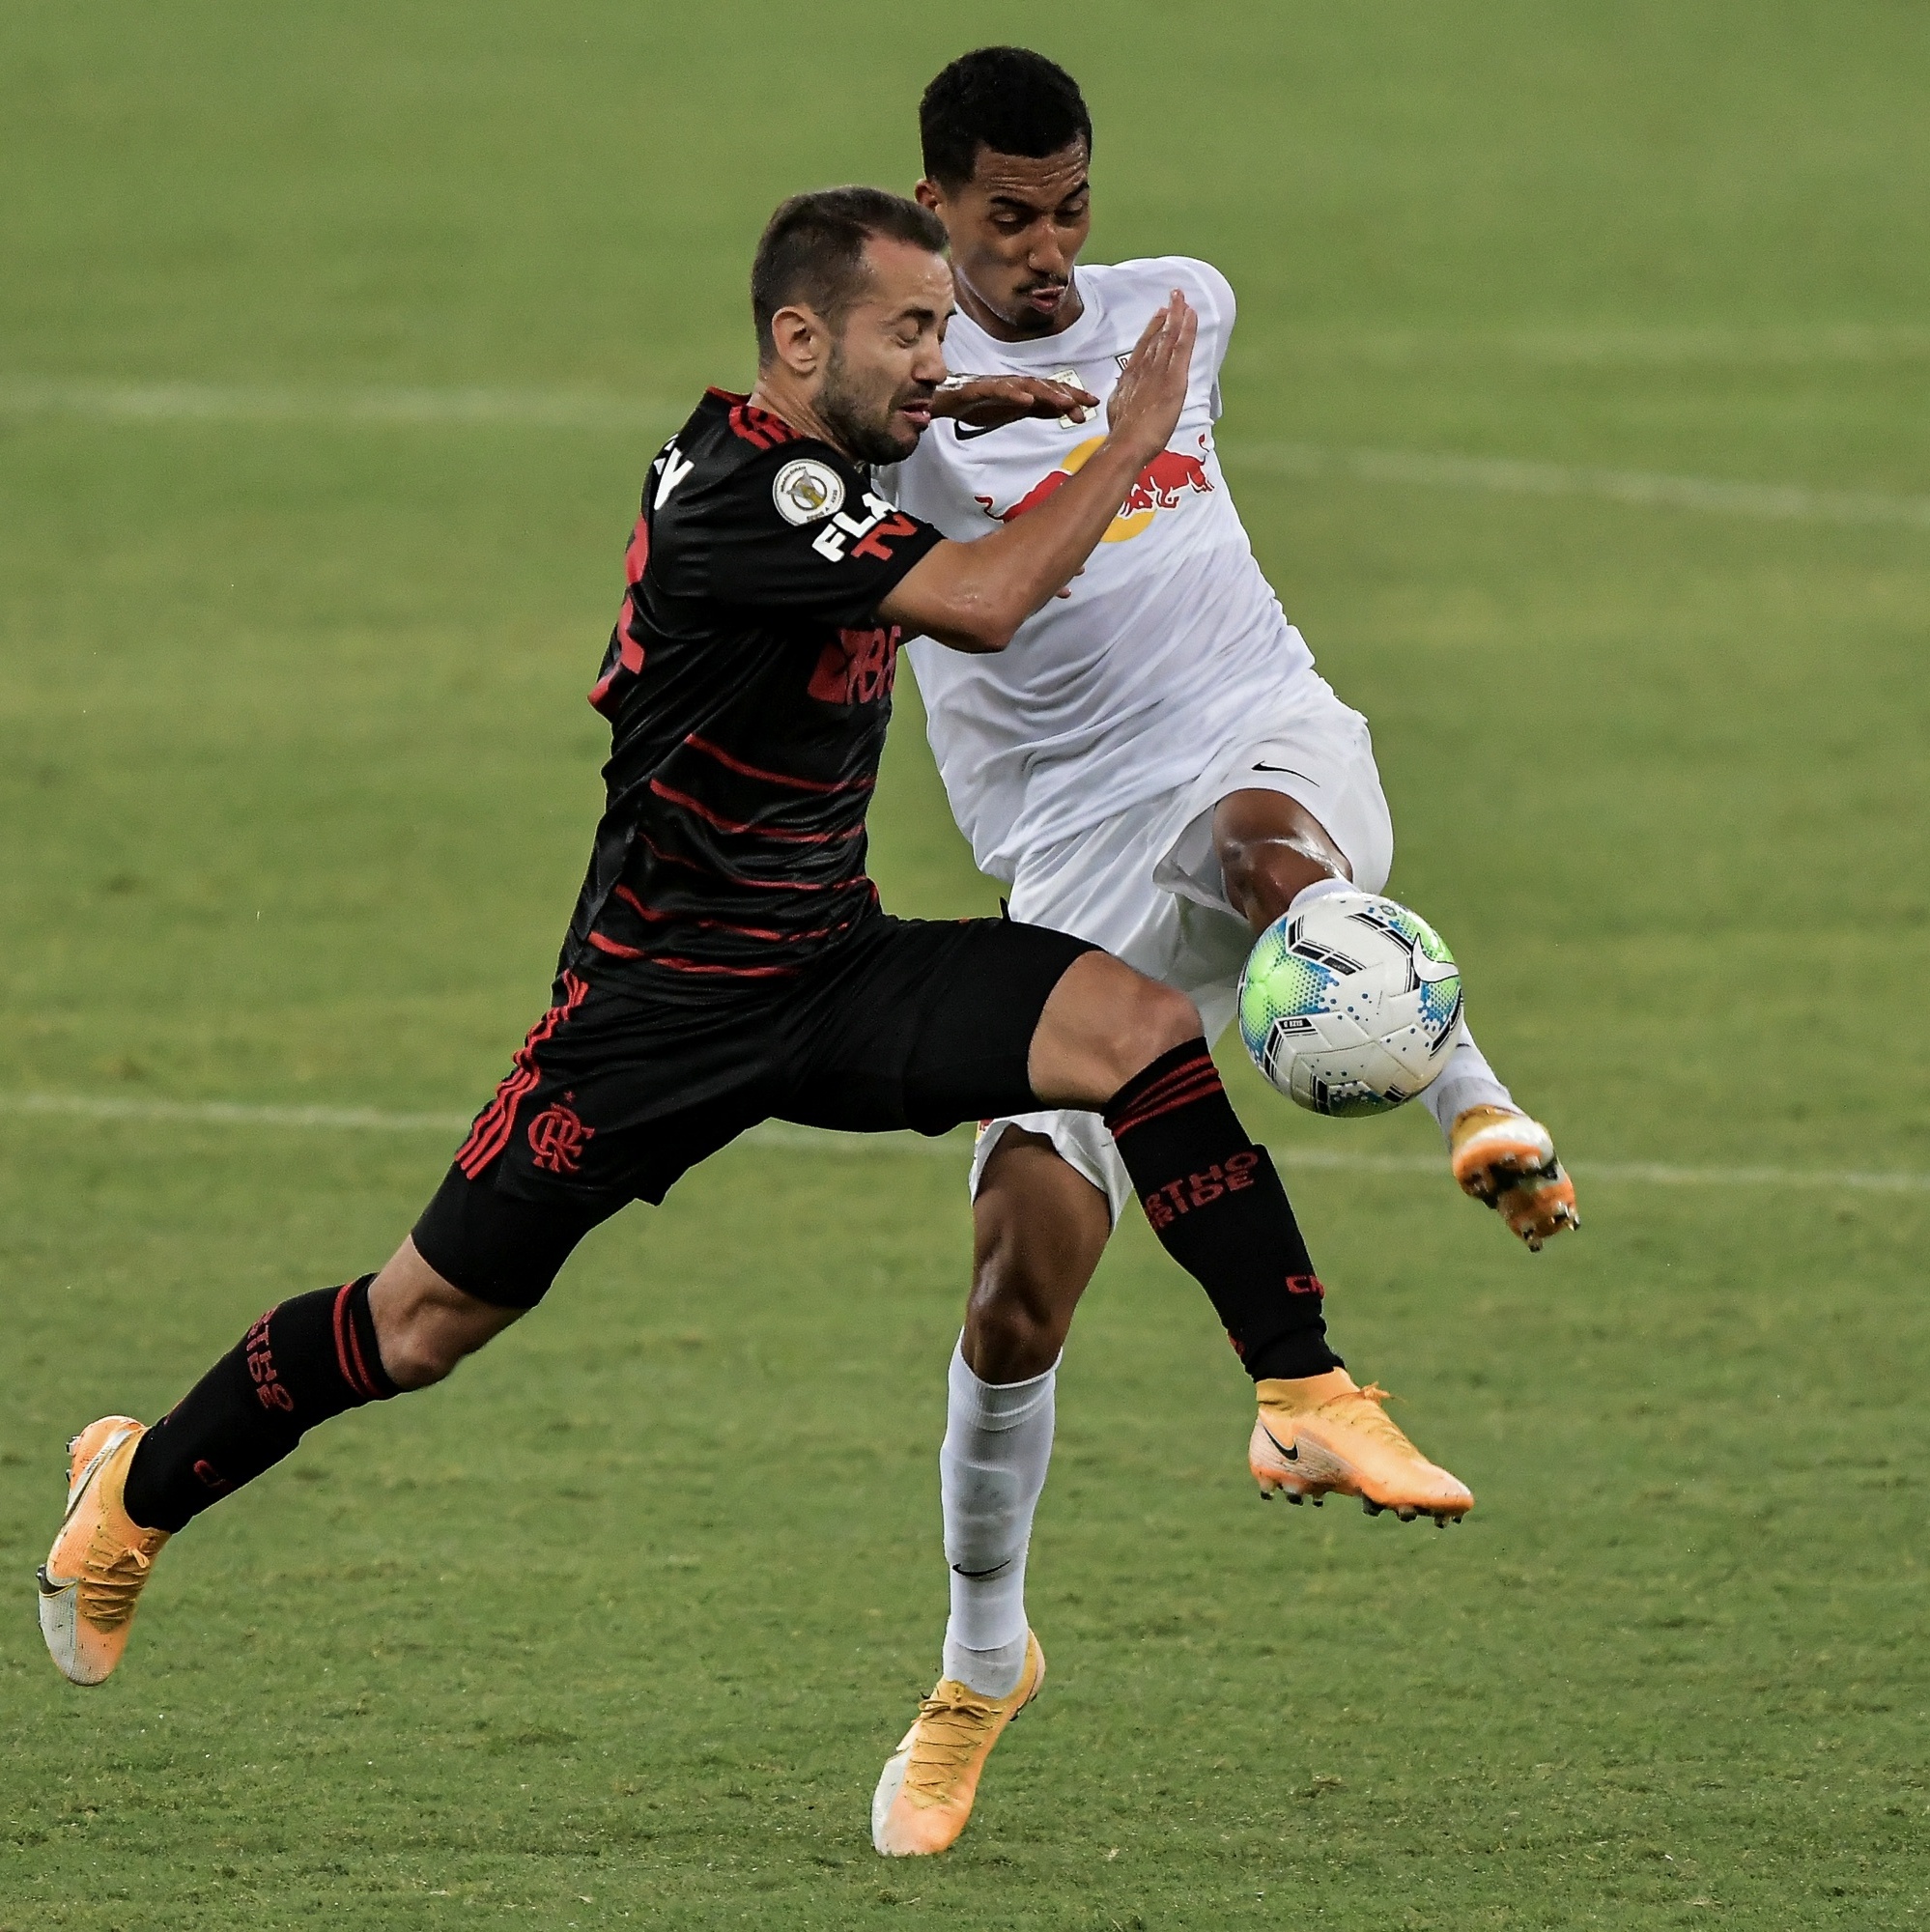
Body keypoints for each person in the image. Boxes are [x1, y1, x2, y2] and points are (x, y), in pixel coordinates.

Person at [37, 185, 1467, 1846]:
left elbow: (878, 459)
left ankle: (1303, 1390)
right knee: (419, 1327)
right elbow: (988, 597)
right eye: (908, 332)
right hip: (647, 1012)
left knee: (1134, 1030)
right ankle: (130, 1499)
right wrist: (1128, 432)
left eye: (945, 327)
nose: (941, 353)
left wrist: (952, 399)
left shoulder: (816, 449)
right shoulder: (745, 485)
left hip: (826, 967)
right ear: (798, 342)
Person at [865, 47, 1581, 1857]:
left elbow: (1145, 389)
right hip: (1070, 857)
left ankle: (1472, 1107)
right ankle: (978, 1666)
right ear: (935, 204)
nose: (1047, 250)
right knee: (1015, 1290)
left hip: (1253, 730)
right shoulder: (890, 405)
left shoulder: (1179, 304)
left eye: (1068, 209)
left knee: (1270, 857)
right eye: (1007, 216)